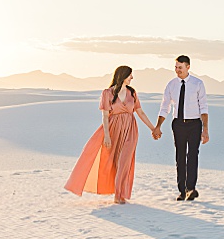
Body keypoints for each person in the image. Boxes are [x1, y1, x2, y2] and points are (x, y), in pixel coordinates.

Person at [65, 66, 157, 204]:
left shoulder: (132, 93)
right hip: (113, 129)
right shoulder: (107, 93)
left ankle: (119, 195)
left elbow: (140, 112)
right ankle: (114, 191)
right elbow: (105, 116)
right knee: (113, 162)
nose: (132, 78)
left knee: (124, 162)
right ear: (123, 76)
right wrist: (107, 136)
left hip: (130, 130)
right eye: (130, 75)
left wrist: (153, 128)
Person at [152, 55, 209, 201]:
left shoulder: (198, 84)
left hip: (195, 124)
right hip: (178, 124)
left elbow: (203, 107)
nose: (177, 70)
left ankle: (191, 188)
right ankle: (182, 190)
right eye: (176, 67)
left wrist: (205, 129)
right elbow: (165, 106)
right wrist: (158, 126)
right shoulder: (171, 85)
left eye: (180, 68)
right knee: (180, 156)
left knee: (192, 156)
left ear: (188, 67)